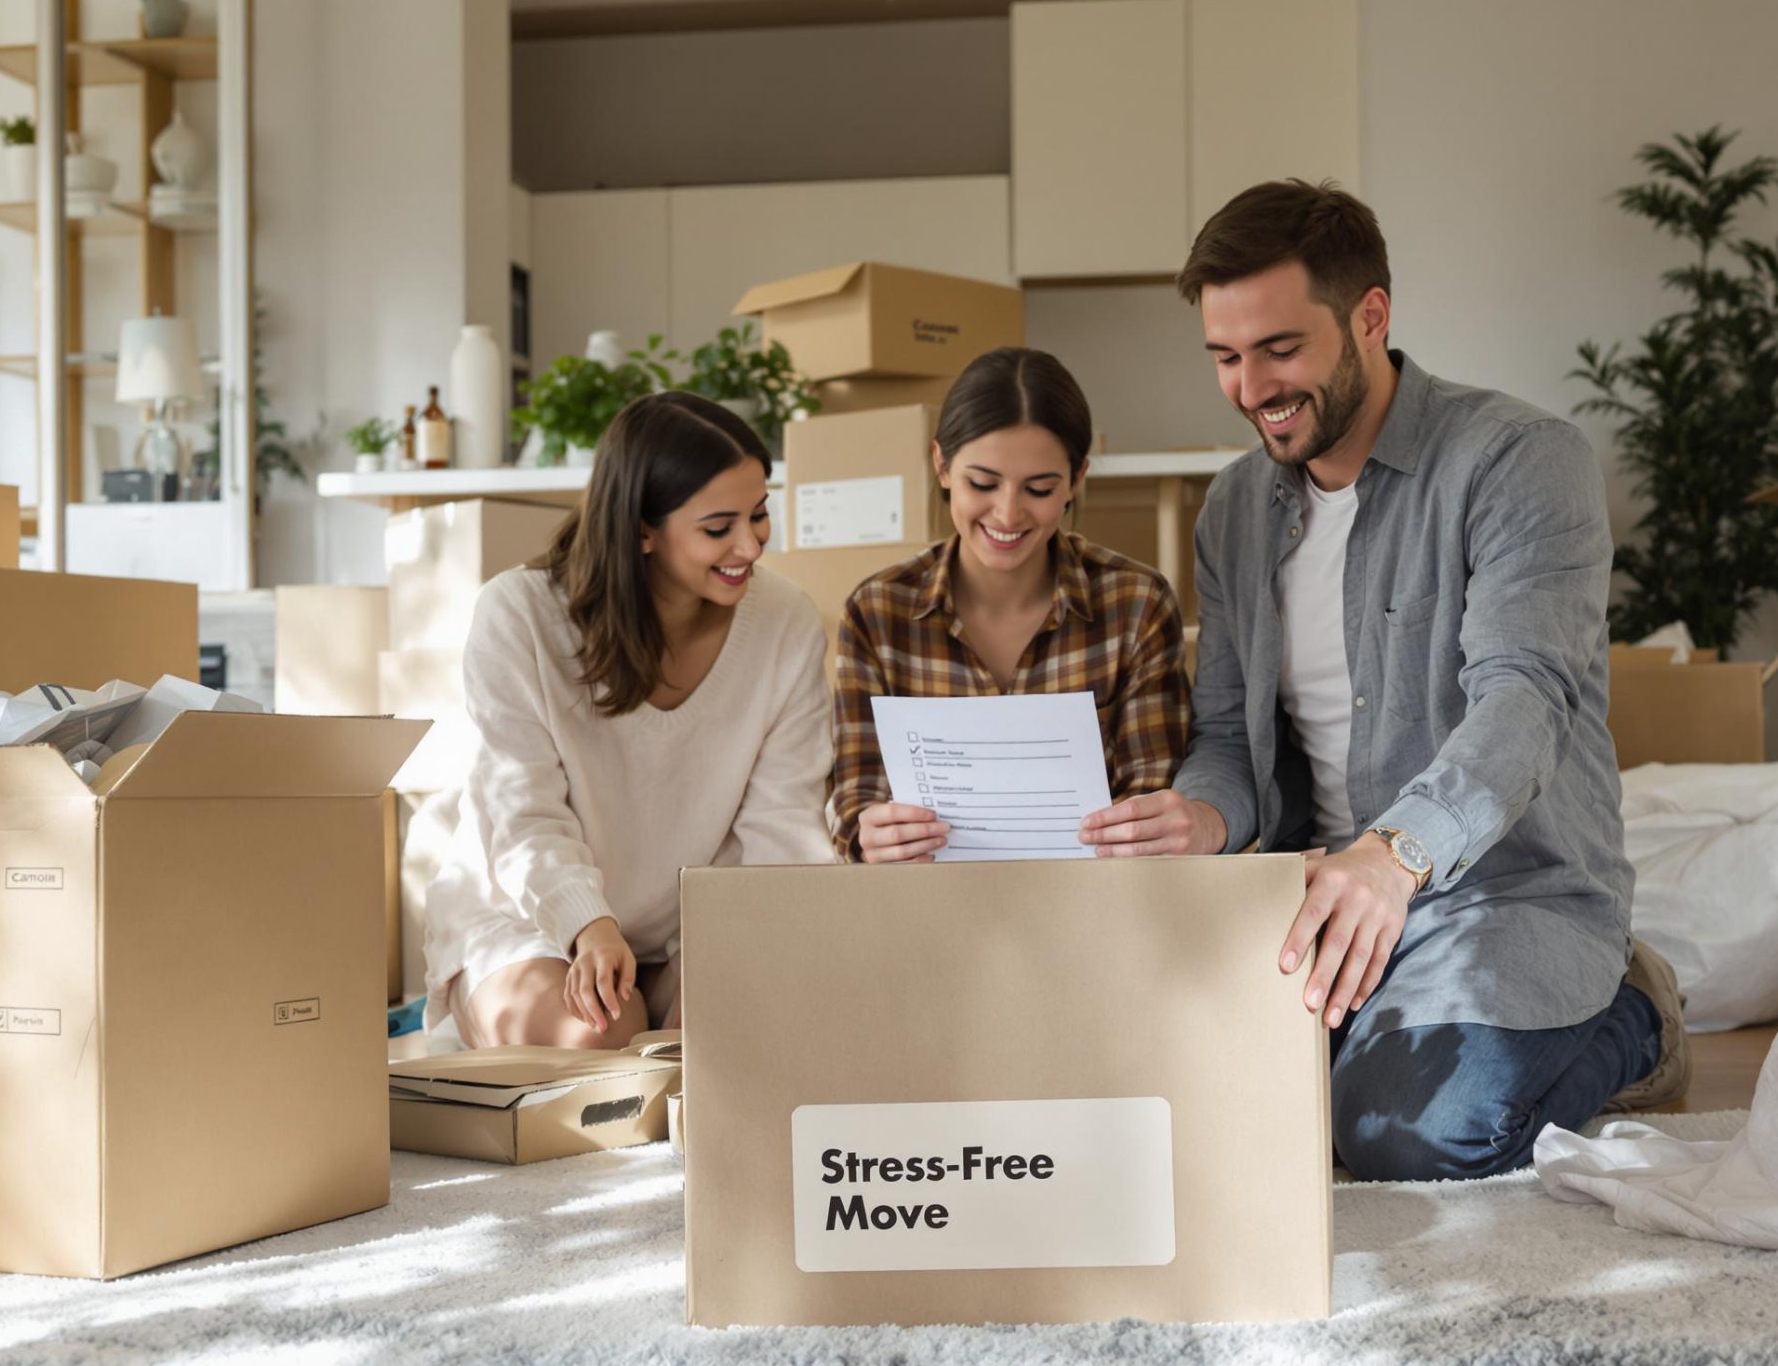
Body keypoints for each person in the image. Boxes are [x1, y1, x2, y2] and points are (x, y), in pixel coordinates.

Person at [1077, 179, 1689, 1180]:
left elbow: (1522, 702)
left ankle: (1633, 1017)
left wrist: (1393, 854)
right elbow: (1230, 733)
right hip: (1315, 899)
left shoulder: (1518, 461)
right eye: (1225, 358)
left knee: (1405, 1131)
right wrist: (1199, 818)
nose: (1250, 388)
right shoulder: (1234, 508)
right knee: (1171, 1098)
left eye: (1279, 349)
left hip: (1499, 896)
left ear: (1370, 316)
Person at [424, 391, 834, 1050]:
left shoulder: (785, 621)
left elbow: (784, 828)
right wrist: (589, 924)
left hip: (692, 927)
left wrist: (733, 960)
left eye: (759, 515)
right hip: (536, 918)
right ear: (642, 527)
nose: (750, 545)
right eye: (718, 526)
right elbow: (524, 815)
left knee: (737, 1040)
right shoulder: (519, 616)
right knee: (601, 1034)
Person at [831, 346, 1190, 863]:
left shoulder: (1135, 605)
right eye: (983, 483)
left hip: (1096, 909)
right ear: (941, 465)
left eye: (1039, 488)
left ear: (1077, 479)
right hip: (923, 911)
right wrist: (870, 837)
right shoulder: (877, 612)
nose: (1007, 513)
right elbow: (856, 801)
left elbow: (1153, 800)